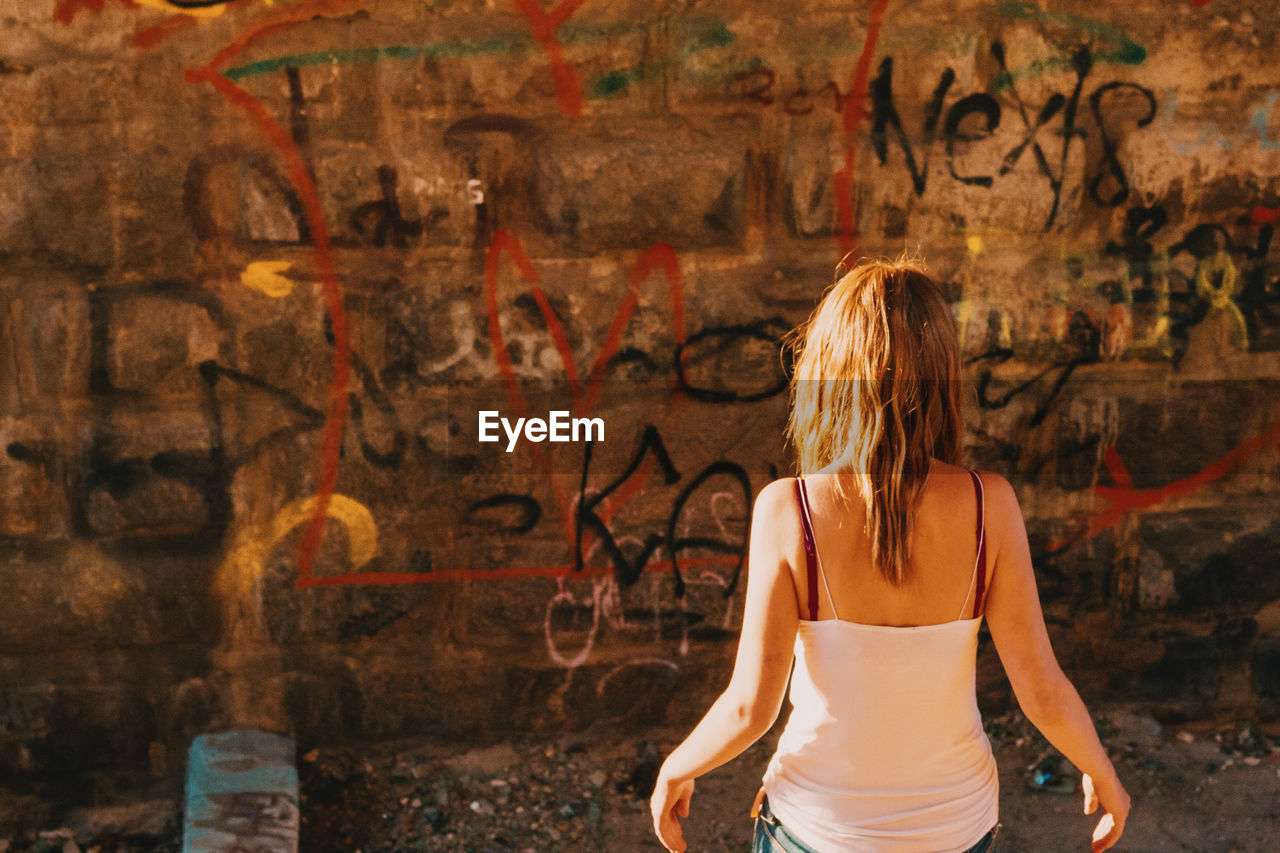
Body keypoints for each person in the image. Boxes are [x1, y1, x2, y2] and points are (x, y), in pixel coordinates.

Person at [650, 258, 1130, 852]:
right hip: (955, 829)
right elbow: (1042, 691)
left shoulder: (789, 509)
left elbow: (751, 707)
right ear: (942, 373)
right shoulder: (990, 505)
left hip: (816, 832)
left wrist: (678, 766)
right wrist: (1101, 770)